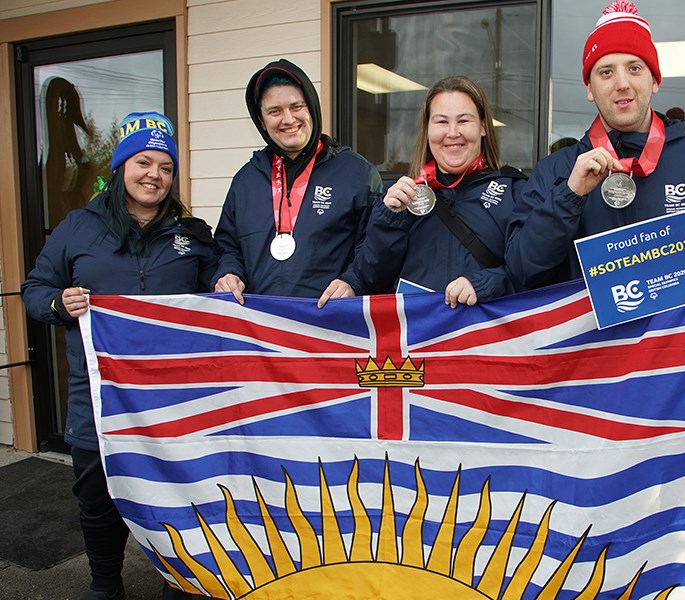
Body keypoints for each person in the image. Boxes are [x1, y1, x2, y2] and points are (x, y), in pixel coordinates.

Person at [504, 2, 685, 598]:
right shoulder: (556, 171)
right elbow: (522, 269)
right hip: (587, 404)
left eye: (634, 68)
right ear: (590, 85)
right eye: (605, 71)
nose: (621, 82)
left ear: (655, 78)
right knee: (587, 560)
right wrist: (571, 195)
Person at [21, 112, 219, 600]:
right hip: (98, 402)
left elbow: (220, 283)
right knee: (98, 499)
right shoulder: (78, 227)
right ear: (121, 166)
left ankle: (184, 581)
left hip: (175, 403)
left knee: (182, 497)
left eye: (165, 166)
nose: (154, 174)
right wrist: (57, 303)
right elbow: (35, 287)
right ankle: (105, 582)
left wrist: (225, 280)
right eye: (143, 162)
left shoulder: (192, 232)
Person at [213, 59, 382, 307]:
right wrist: (228, 273)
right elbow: (227, 246)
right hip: (262, 331)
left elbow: (376, 246)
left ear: (311, 108)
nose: (288, 119)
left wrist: (353, 281)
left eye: (296, 106)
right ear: (261, 121)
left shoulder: (357, 173)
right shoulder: (246, 180)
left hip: (331, 328)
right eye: (275, 111)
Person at [354, 75, 527, 306]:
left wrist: (486, 284)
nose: (453, 133)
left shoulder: (516, 191)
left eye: (464, 121)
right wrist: (389, 219)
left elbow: (531, 272)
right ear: (426, 129)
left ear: (484, 126)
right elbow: (371, 278)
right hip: (418, 337)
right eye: (441, 122)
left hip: (485, 338)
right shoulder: (400, 197)